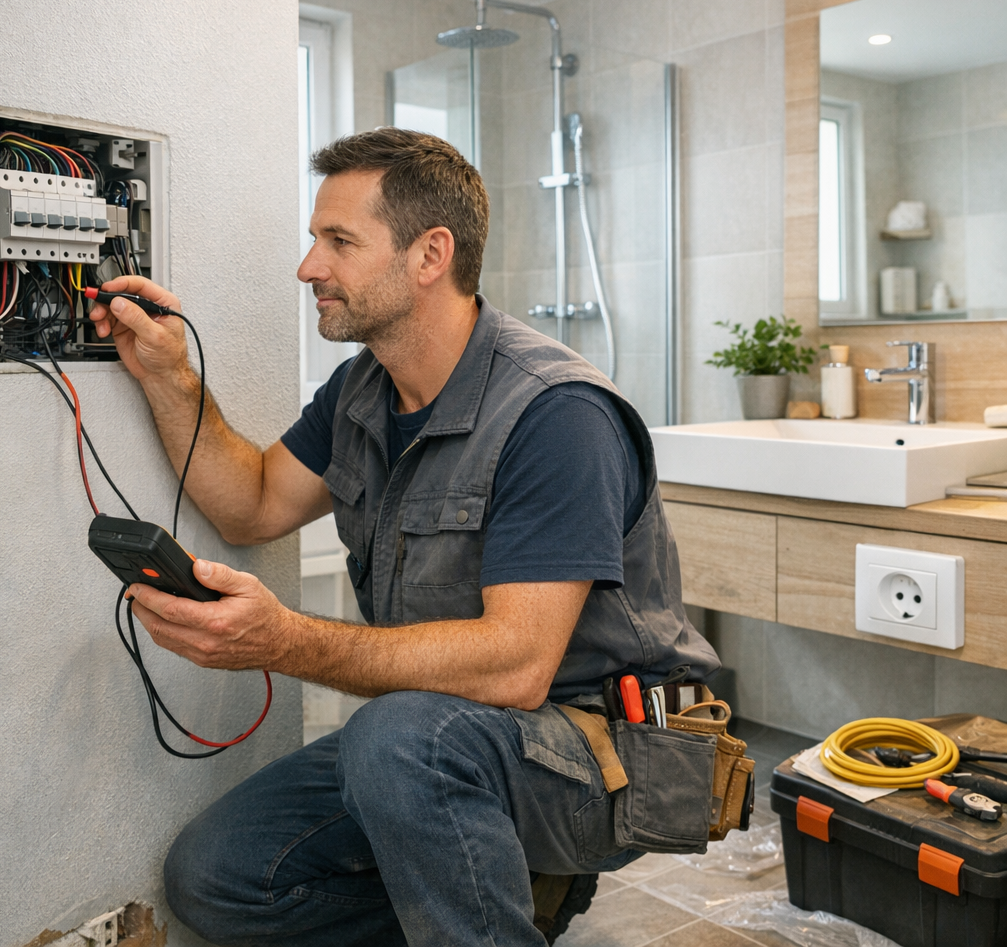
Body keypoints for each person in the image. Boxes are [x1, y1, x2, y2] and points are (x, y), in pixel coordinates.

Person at [89, 128, 720, 947]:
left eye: (339, 242)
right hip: (443, 738)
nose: (308, 267)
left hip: (613, 756)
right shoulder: (362, 390)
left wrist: (280, 639)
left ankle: (522, 886)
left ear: (431, 255)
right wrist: (170, 375)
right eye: (316, 239)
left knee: (396, 736)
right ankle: (509, 898)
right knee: (219, 874)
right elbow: (250, 503)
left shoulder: (555, 413)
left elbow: (519, 665)